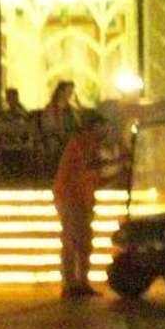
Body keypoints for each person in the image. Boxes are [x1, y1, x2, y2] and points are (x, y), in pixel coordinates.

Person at [53, 111, 112, 298]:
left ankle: (80, 282)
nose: (106, 130)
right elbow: (89, 167)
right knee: (73, 241)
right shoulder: (80, 143)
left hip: (82, 200)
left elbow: (94, 177)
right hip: (71, 197)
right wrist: (117, 163)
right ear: (94, 126)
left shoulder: (90, 145)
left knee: (84, 241)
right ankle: (70, 284)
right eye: (102, 126)